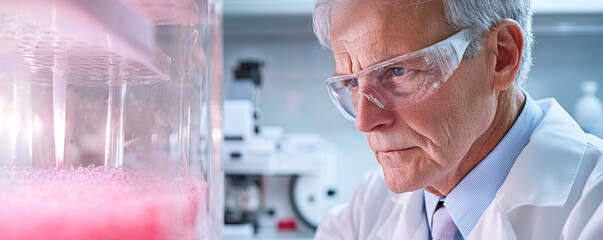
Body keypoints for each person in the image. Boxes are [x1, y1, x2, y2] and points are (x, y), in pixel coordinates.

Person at [311, 0, 603, 239]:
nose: (364, 121)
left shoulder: (593, 208)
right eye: (351, 84)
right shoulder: (368, 208)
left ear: (501, 57)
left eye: (398, 72)